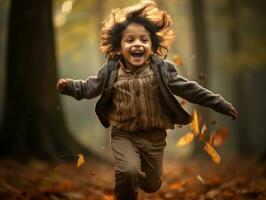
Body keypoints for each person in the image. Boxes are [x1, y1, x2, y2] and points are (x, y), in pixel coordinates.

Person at [56, 1, 238, 199]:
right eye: (130, 40)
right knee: (128, 171)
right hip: (122, 134)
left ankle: (140, 178)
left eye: (144, 40)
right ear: (118, 47)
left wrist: (220, 103)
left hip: (154, 137)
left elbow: (190, 90)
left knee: (151, 185)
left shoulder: (162, 71)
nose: (137, 44)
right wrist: (70, 87)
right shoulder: (110, 71)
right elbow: (89, 87)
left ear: (153, 46)